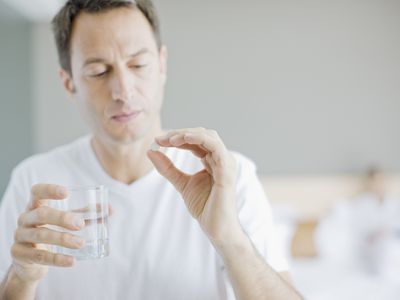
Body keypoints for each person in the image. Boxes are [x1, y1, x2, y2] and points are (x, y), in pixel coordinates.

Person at [0, 1, 302, 299]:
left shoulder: (228, 177)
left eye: (138, 65)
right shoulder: (34, 182)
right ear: (69, 83)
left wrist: (230, 238)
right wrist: (21, 278)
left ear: (162, 65)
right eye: (98, 71)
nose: (123, 90)